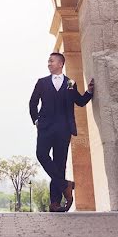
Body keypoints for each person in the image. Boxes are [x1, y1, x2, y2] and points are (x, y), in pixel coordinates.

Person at [28, 52, 95, 212]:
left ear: (60, 63)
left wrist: (89, 92)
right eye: (48, 61)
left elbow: (79, 101)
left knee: (59, 165)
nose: (49, 64)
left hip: (64, 129)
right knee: (41, 155)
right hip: (45, 128)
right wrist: (36, 120)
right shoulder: (42, 82)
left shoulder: (70, 83)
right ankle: (66, 185)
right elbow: (32, 103)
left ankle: (55, 203)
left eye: (51, 61)